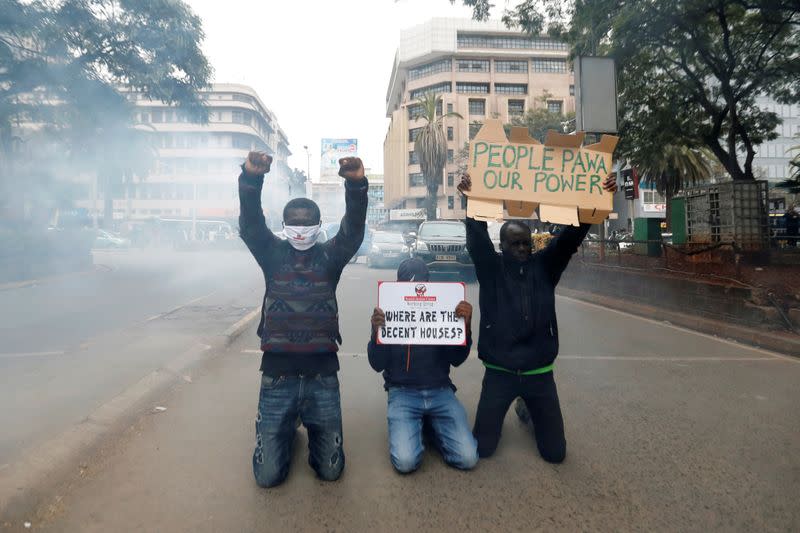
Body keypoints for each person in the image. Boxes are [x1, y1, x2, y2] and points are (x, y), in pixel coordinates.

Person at [457, 172, 618, 463]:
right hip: (499, 374)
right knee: (483, 449)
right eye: (514, 244)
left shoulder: (545, 267)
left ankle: (527, 408)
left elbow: (569, 239)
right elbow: (476, 238)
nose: (521, 249)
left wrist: (595, 197)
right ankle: (517, 406)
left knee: (555, 454)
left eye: (525, 244)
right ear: (502, 247)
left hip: (539, 376)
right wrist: (469, 200)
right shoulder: (491, 270)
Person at [238, 150, 368, 487]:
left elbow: (353, 231)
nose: (300, 229)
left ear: (318, 226)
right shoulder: (272, 253)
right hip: (277, 378)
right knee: (267, 478)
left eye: (307, 223)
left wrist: (356, 186)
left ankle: (303, 429)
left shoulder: (330, 256)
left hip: (322, 378)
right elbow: (251, 225)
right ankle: (276, 428)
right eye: (293, 223)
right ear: (283, 226)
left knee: (330, 471)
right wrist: (251, 179)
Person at [367, 258, 478, 474]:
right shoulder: (386, 313)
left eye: (420, 284)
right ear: (398, 285)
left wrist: (466, 327)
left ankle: (431, 427)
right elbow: (376, 363)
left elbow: (457, 359)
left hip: (440, 391)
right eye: (407, 285)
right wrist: (376, 333)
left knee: (468, 458)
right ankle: (425, 425)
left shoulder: (443, 309)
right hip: (402, 393)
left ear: (429, 284)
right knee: (406, 462)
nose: (415, 290)